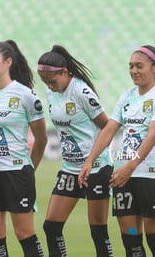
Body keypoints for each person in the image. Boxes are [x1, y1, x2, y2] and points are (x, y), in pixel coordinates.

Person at [79, 45, 155, 256]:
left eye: (139, 66)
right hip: (122, 177)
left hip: (150, 175)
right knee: (131, 238)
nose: (133, 71)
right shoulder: (127, 97)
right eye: (131, 66)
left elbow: (153, 135)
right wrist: (89, 161)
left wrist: (130, 166)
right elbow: (109, 129)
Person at [37, 45, 113, 257]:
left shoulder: (81, 91)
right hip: (70, 169)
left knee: (98, 231)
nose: (50, 87)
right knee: (51, 227)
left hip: (96, 168)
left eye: (52, 81)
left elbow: (107, 126)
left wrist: (90, 160)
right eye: (45, 82)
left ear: (64, 72)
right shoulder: (51, 93)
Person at [0, 40, 47, 257]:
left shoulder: (25, 95)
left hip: (17, 173)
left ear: (8, 62)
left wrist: (28, 169)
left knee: (24, 233)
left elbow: (41, 139)